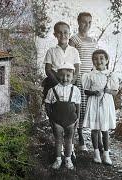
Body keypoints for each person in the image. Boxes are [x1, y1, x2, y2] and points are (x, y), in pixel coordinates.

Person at [43, 21, 81, 157]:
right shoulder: (51, 51)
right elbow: (48, 69)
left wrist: (70, 84)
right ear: (55, 34)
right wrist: (57, 83)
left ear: (69, 34)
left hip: (70, 85)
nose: (63, 35)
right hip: (54, 85)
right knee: (56, 116)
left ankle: (70, 147)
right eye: (59, 32)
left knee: (72, 115)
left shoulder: (74, 51)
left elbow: (77, 70)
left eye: (65, 32)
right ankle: (59, 146)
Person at [82, 49, 119, 165]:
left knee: (105, 130)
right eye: (95, 59)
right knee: (95, 129)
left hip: (106, 104)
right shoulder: (90, 75)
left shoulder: (111, 75)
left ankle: (106, 155)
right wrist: (93, 93)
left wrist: (108, 91)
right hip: (94, 103)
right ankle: (96, 153)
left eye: (101, 58)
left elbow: (115, 92)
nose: (98, 61)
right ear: (93, 61)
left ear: (107, 60)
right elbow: (86, 91)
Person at [69, 12, 98, 151]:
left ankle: (94, 141)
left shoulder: (93, 41)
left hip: (90, 79)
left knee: (90, 108)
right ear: (78, 22)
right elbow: (71, 60)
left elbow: (95, 61)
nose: (87, 25)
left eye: (89, 22)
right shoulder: (74, 40)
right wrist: (74, 79)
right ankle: (79, 138)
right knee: (79, 109)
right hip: (79, 78)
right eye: (84, 22)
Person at [45, 63, 81, 170]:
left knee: (69, 140)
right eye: (62, 75)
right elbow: (47, 104)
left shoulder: (75, 90)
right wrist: (51, 118)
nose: (65, 78)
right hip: (57, 120)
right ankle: (58, 159)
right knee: (58, 140)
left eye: (68, 76)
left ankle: (68, 159)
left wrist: (77, 119)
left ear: (72, 76)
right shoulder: (53, 90)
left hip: (71, 120)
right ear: (57, 75)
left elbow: (78, 105)